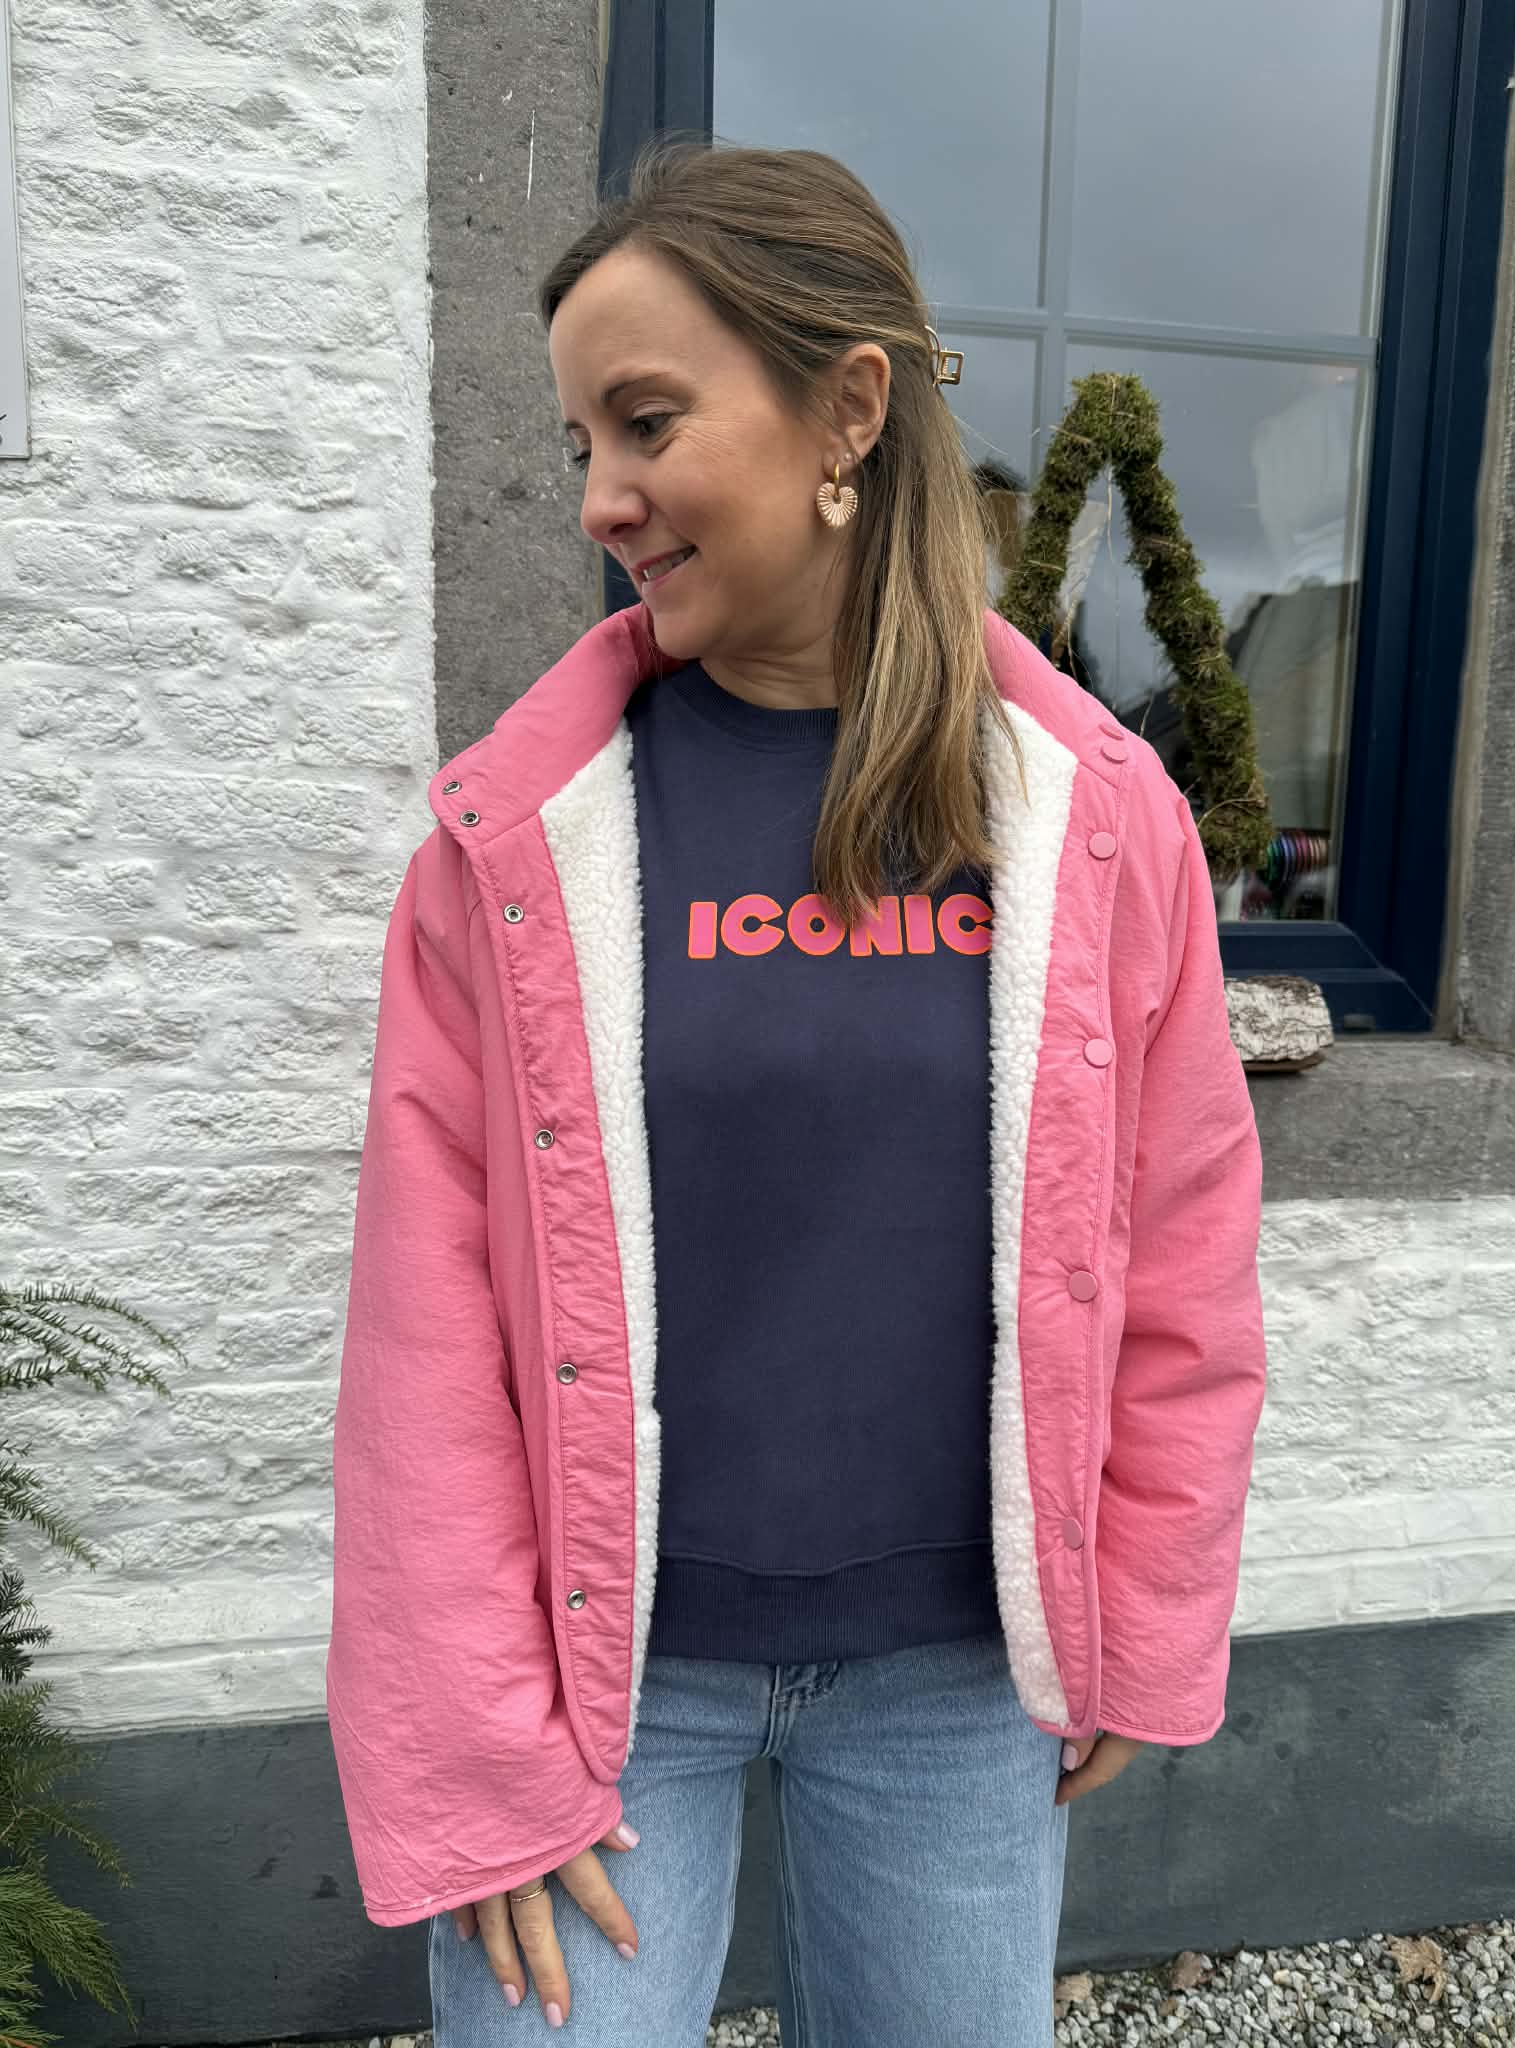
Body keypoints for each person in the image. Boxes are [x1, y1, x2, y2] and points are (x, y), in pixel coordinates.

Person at [325, 137, 1267, 2046]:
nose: (599, 496)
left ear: (847, 411)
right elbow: (426, 1334)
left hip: (959, 1682)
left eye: (646, 422)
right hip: (600, 1691)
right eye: (582, 441)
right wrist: (476, 1750)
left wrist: (1144, 1613)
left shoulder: (1092, 824)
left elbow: (1183, 1253)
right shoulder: (519, 845)